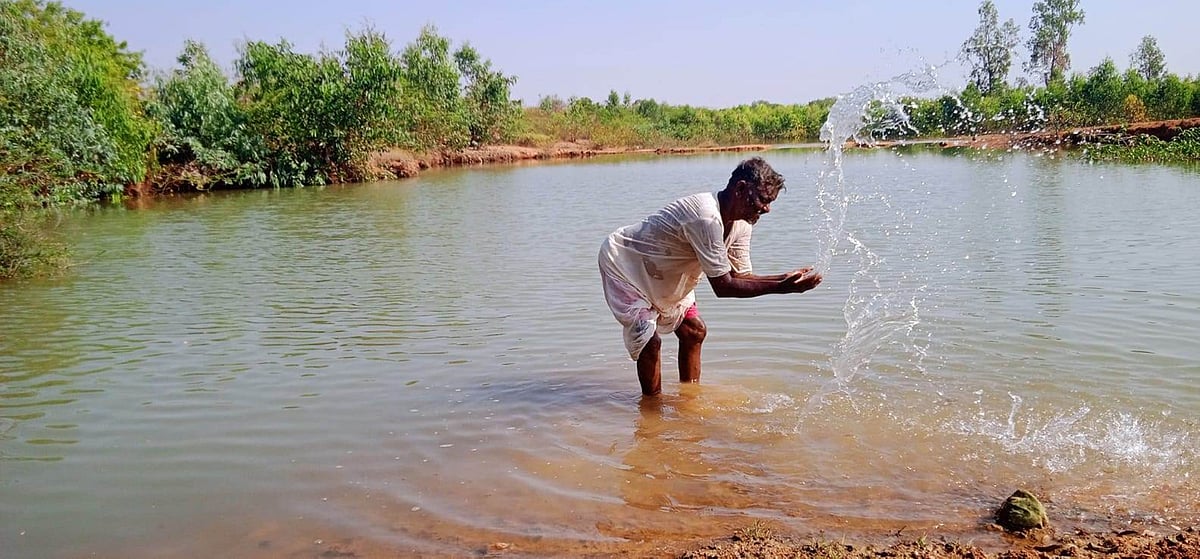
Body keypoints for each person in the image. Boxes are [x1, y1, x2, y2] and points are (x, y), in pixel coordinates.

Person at [598, 157, 823, 396]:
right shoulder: (705, 217)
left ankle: (689, 399)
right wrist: (782, 287)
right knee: (649, 342)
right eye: (763, 200)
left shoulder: (741, 224)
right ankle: (652, 409)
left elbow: (740, 275)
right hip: (625, 264)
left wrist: (783, 278)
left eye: (770, 203)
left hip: (663, 272)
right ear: (740, 189)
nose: (767, 209)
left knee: (694, 331)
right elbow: (723, 286)